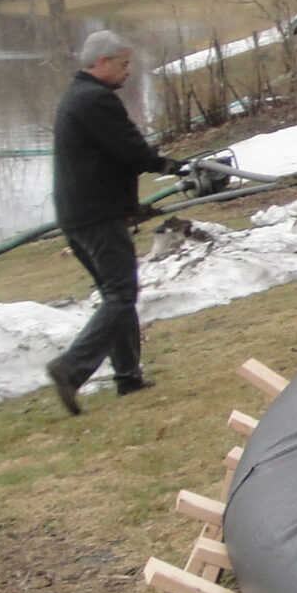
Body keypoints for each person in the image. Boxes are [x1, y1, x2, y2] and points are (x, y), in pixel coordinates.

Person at [44, 30, 186, 414]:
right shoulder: (95, 100)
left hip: (77, 215)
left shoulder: (77, 97)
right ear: (102, 62)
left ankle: (128, 377)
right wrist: (166, 164)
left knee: (116, 295)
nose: (128, 72)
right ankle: (71, 369)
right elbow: (130, 151)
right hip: (97, 215)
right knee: (121, 294)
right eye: (123, 65)